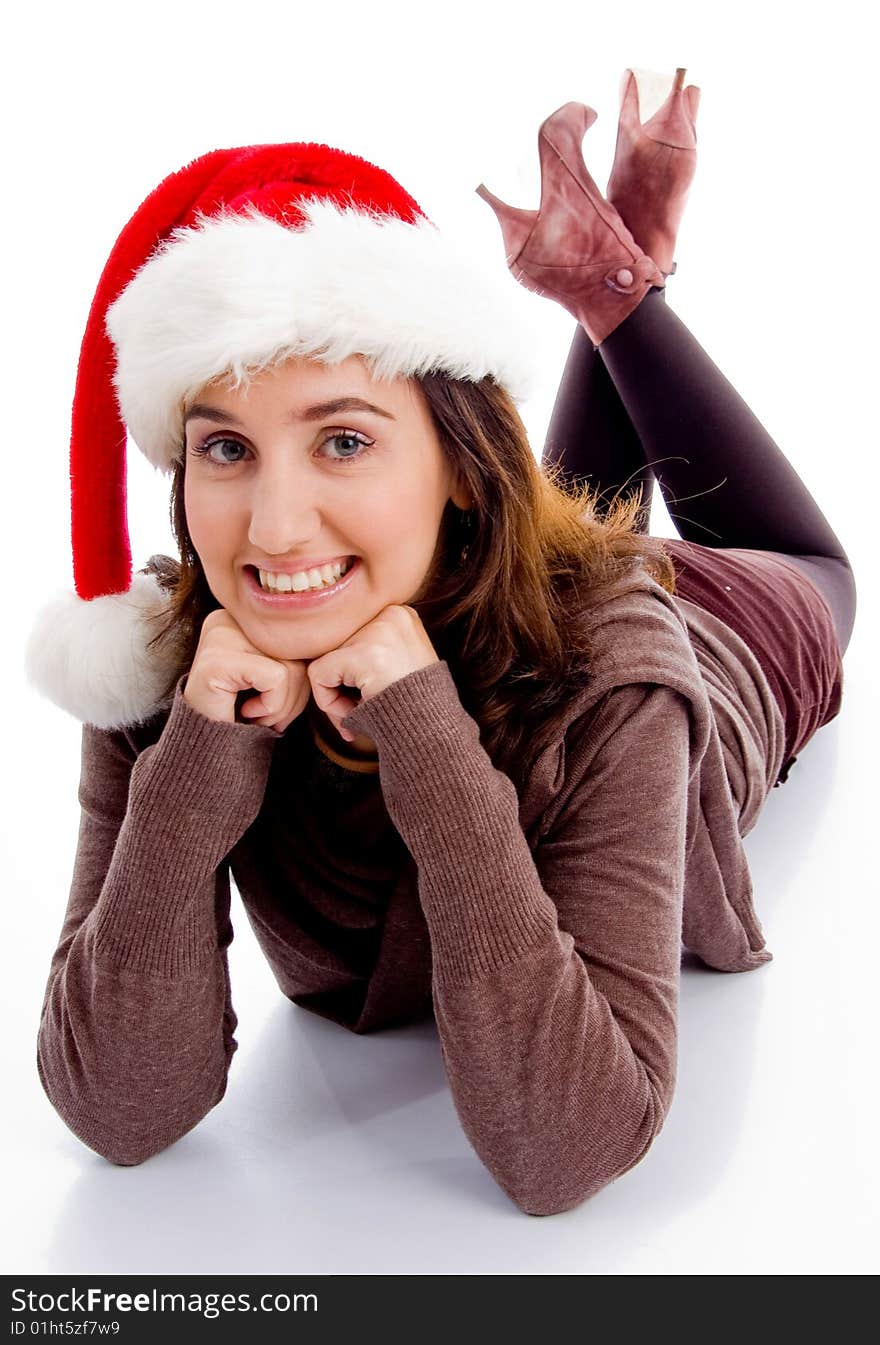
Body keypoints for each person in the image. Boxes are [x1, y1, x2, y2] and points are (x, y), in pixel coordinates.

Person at [25, 68, 855, 1218]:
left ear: (462, 465)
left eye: (343, 441)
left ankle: (618, 296)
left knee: (821, 572)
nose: (272, 530)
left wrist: (424, 731)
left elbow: (564, 1154)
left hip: (713, 633)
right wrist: (196, 762)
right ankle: (602, 283)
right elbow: (116, 1110)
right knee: (559, 520)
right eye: (225, 450)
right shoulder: (177, 672)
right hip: (500, 561)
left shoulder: (615, 684)